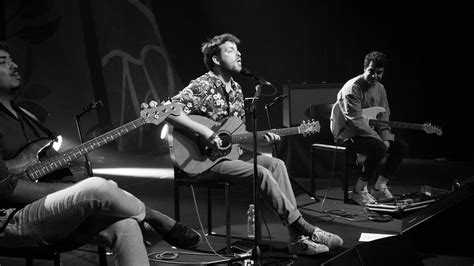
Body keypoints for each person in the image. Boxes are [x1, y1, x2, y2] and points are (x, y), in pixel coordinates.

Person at [0, 41, 212, 266]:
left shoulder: (27, 117)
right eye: (3, 62)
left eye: (12, 60)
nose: (14, 65)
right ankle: (156, 219)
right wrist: (70, 191)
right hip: (9, 219)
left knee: (126, 226)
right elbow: (5, 189)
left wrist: (74, 171)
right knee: (97, 187)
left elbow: (49, 164)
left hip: (45, 212)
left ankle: (144, 220)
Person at [170, 33, 343, 255]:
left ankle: (296, 239)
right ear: (215, 59)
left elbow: (236, 137)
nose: (239, 53)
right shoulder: (202, 85)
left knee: (277, 164)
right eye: (230, 50)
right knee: (261, 173)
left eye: (238, 50)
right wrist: (204, 131)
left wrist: (262, 138)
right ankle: (305, 228)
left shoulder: (237, 90)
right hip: (203, 161)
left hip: (228, 155)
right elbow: (168, 110)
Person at [330, 51, 409, 206]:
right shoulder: (352, 88)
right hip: (346, 133)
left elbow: (383, 117)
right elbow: (356, 122)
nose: (375, 76)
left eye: (379, 73)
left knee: (401, 146)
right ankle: (358, 191)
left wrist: (385, 136)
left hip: (368, 132)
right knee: (379, 147)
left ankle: (379, 187)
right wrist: (380, 139)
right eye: (371, 71)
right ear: (365, 68)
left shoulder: (381, 88)